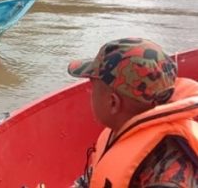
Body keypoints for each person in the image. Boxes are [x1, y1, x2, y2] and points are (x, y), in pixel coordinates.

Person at [67, 37, 198, 188]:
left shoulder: (169, 176)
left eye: (92, 88)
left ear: (113, 102)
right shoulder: (124, 127)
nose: (89, 93)